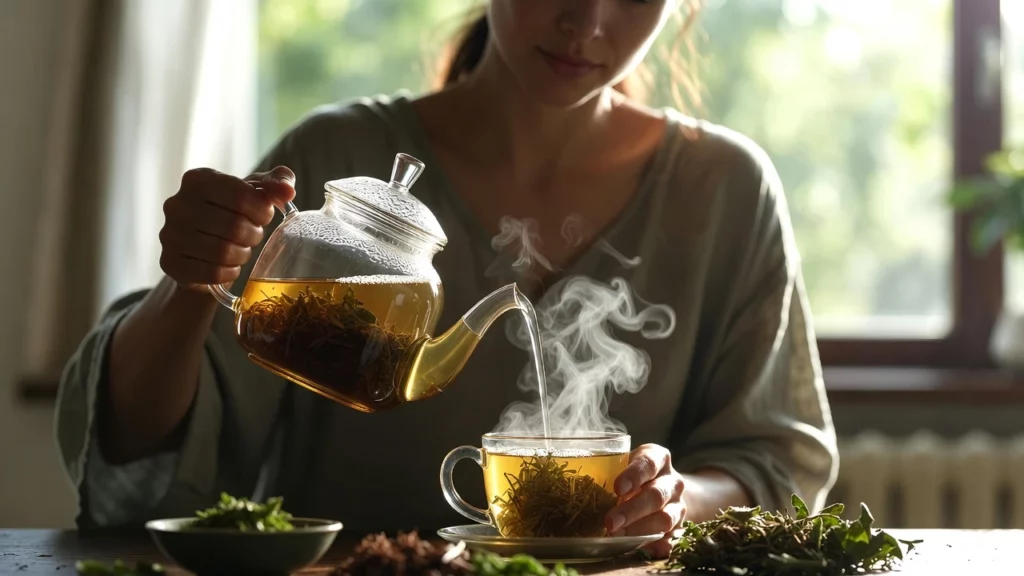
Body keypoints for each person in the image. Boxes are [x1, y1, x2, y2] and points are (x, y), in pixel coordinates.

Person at [55, 0, 838, 558]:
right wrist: (189, 284)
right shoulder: (333, 157)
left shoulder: (726, 191)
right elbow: (145, 454)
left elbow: (774, 462)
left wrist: (671, 500)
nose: (587, 20)